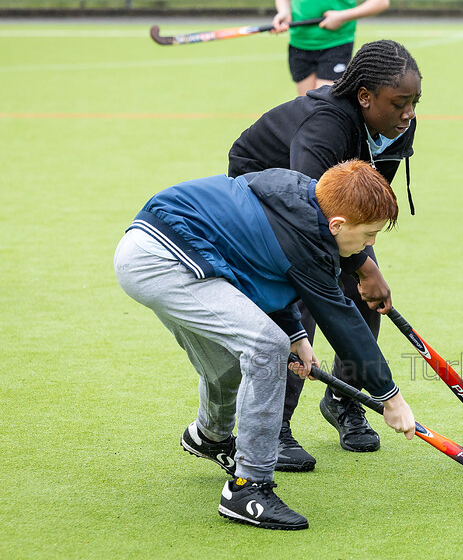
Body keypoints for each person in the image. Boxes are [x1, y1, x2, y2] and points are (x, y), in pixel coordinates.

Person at [114, 160, 416, 530]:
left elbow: (261, 265)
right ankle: (247, 488)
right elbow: (343, 322)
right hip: (165, 260)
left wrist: (298, 335)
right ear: (337, 224)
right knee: (265, 346)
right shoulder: (305, 239)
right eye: (369, 234)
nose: (369, 246)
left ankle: (209, 437)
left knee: (229, 360)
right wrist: (391, 397)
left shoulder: (300, 197)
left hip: (162, 248)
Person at [228, 39, 421, 471]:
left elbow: (368, 200)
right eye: (399, 103)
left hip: (329, 206)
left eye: (414, 102)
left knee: (363, 292)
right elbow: (308, 215)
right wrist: (361, 266)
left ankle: (345, 399)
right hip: (266, 195)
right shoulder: (324, 126)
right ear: (365, 97)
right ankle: (273, 428)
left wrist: (365, 264)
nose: (408, 113)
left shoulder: (397, 122)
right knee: (304, 298)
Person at [272, 0, 390, 96]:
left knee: (322, 104)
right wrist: (284, 11)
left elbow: (381, 0)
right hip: (300, 43)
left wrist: (342, 16)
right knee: (306, 106)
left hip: (336, 44)